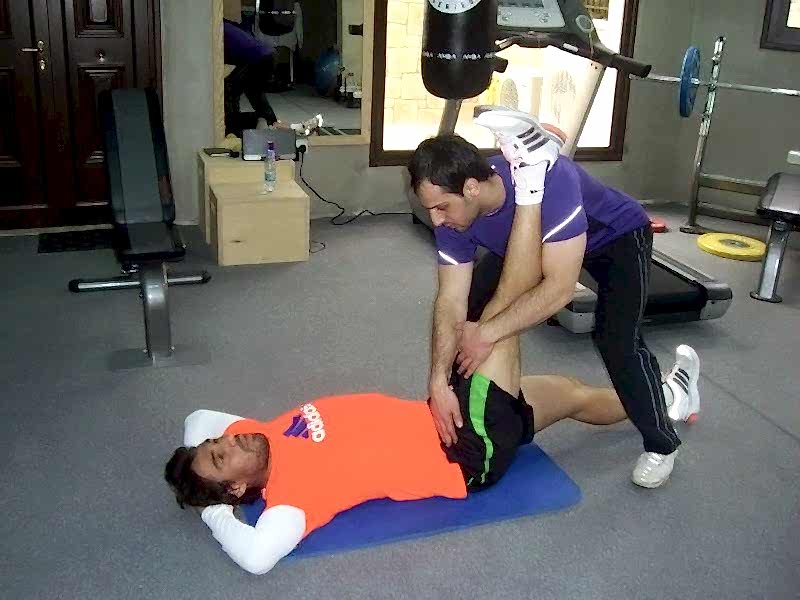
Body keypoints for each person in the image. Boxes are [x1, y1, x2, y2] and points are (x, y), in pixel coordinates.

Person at [164, 174, 701, 574]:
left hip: (444, 413)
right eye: (221, 457)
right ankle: (533, 184)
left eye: (218, 442)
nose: (227, 439)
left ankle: (671, 398)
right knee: (501, 313)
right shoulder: (291, 497)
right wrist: (215, 512)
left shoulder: (260, 433)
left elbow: (196, 419)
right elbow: (257, 558)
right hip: (466, 450)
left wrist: (205, 464)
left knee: (578, 396)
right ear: (238, 488)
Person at [408, 106, 701, 490]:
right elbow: (450, 301)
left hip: (614, 237)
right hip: (533, 238)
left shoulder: (551, 179)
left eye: (442, 207)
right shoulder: (452, 219)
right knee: (474, 306)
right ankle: (466, 405)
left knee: (616, 339)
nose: (436, 220)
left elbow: (558, 288)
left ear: (472, 188)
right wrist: (437, 381)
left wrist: (489, 333)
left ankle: (662, 442)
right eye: (429, 209)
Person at [224, 19, 279, 136]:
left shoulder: (216, 31)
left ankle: (233, 131)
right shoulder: (226, 25)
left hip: (258, 58)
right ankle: (271, 124)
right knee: (255, 94)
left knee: (230, 90)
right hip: (266, 55)